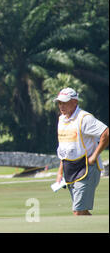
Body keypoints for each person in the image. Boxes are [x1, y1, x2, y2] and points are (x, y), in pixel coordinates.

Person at [54, 87, 109, 216]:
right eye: (59, 102)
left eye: (64, 102)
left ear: (74, 102)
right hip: (70, 169)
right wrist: (60, 172)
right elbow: (64, 149)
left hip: (87, 168)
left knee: (78, 211)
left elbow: (106, 133)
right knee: (82, 211)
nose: (61, 106)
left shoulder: (84, 118)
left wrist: (94, 156)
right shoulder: (61, 120)